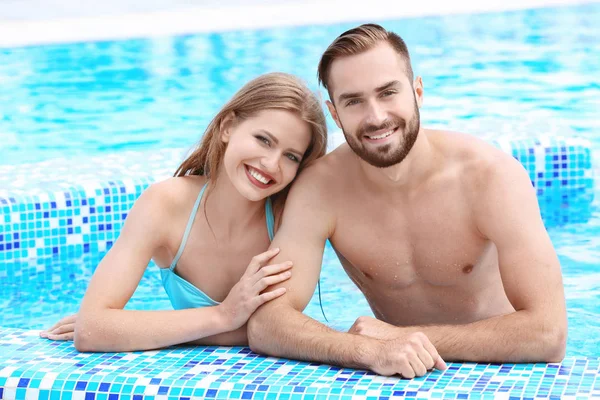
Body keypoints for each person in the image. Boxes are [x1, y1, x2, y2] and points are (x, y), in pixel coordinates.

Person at [246, 24, 567, 377]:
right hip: (395, 373)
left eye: (387, 93)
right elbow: (267, 323)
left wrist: (401, 337)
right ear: (334, 113)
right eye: (354, 101)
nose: (376, 117)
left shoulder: (491, 178)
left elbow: (548, 334)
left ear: (417, 91)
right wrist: (368, 350)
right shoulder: (321, 190)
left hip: (500, 371)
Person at [39, 72, 332, 351]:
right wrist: (224, 316)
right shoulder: (166, 205)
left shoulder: (289, 217)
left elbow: (272, 331)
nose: (271, 164)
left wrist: (141, 330)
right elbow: (92, 329)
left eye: (291, 156)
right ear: (227, 126)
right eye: (263, 140)